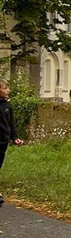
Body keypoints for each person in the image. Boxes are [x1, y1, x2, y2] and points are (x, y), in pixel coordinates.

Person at [0, 78, 24, 207]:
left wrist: (15, 138)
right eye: (5, 88)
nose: (8, 90)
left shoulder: (8, 106)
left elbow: (11, 124)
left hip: (3, 142)